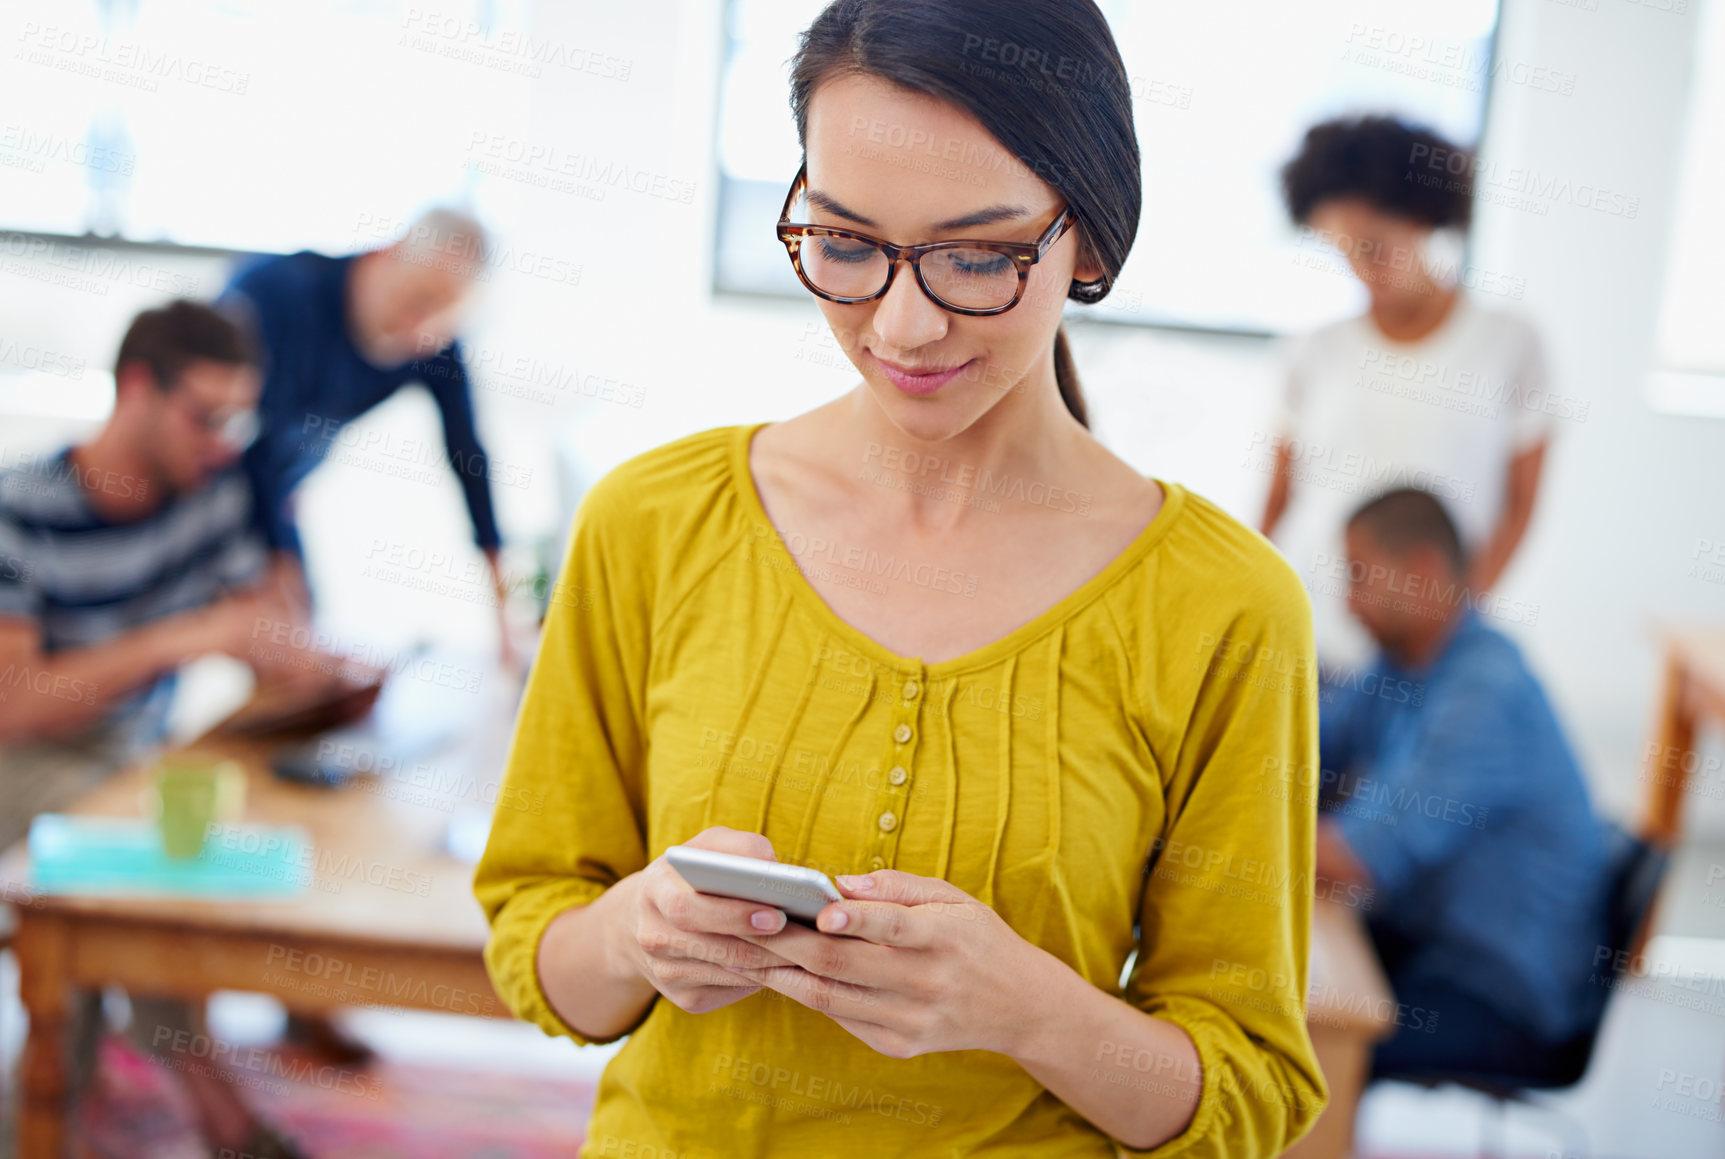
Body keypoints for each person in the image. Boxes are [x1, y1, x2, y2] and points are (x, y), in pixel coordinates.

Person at [475, 2, 1326, 1155]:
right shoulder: (652, 522)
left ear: (1095, 240)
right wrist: (639, 933)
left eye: (978, 256)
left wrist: (1026, 1007)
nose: (904, 323)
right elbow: (545, 954)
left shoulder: (1227, 608)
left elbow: (1247, 1092)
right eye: (846, 244)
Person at [0, 299, 318, 1158]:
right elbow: (16, 703)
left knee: (226, 829)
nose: (223, 442)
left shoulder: (206, 497)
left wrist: (315, 660)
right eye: (207, 416)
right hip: (20, 766)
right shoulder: (19, 509)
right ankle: (219, 1113)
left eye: (236, 421)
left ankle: (66, 1098)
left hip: (134, 765)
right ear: (137, 388)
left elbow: (265, 632)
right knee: (132, 861)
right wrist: (188, 635)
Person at [1312, 488, 1612, 1077]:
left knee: (1290, 1046)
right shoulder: (1402, 661)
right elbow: (1304, 743)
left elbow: (1351, 861)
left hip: (1494, 993)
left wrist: (1204, 834)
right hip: (1423, 941)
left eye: (1359, 576)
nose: (1348, 603)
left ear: (1422, 571)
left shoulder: (1483, 694)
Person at [1260, 115, 1555, 670]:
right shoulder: (1313, 352)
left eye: (1372, 246)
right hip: (1313, 639)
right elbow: (1278, 499)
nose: (1360, 269)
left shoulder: (1510, 343)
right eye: (1341, 250)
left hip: (1429, 651)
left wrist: (1458, 618)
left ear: (1421, 218)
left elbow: (1521, 503)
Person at [221, 208, 514, 657]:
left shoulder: (429, 338)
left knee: (307, 657)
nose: (419, 328)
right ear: (387, 254)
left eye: (441, 320)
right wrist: (280, 562)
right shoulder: (277, 293)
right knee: (276, 639)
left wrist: (503, 609)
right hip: (211, 488)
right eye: (416, 301)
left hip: (278, 495)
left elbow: (468, 457)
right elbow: (245, 442)